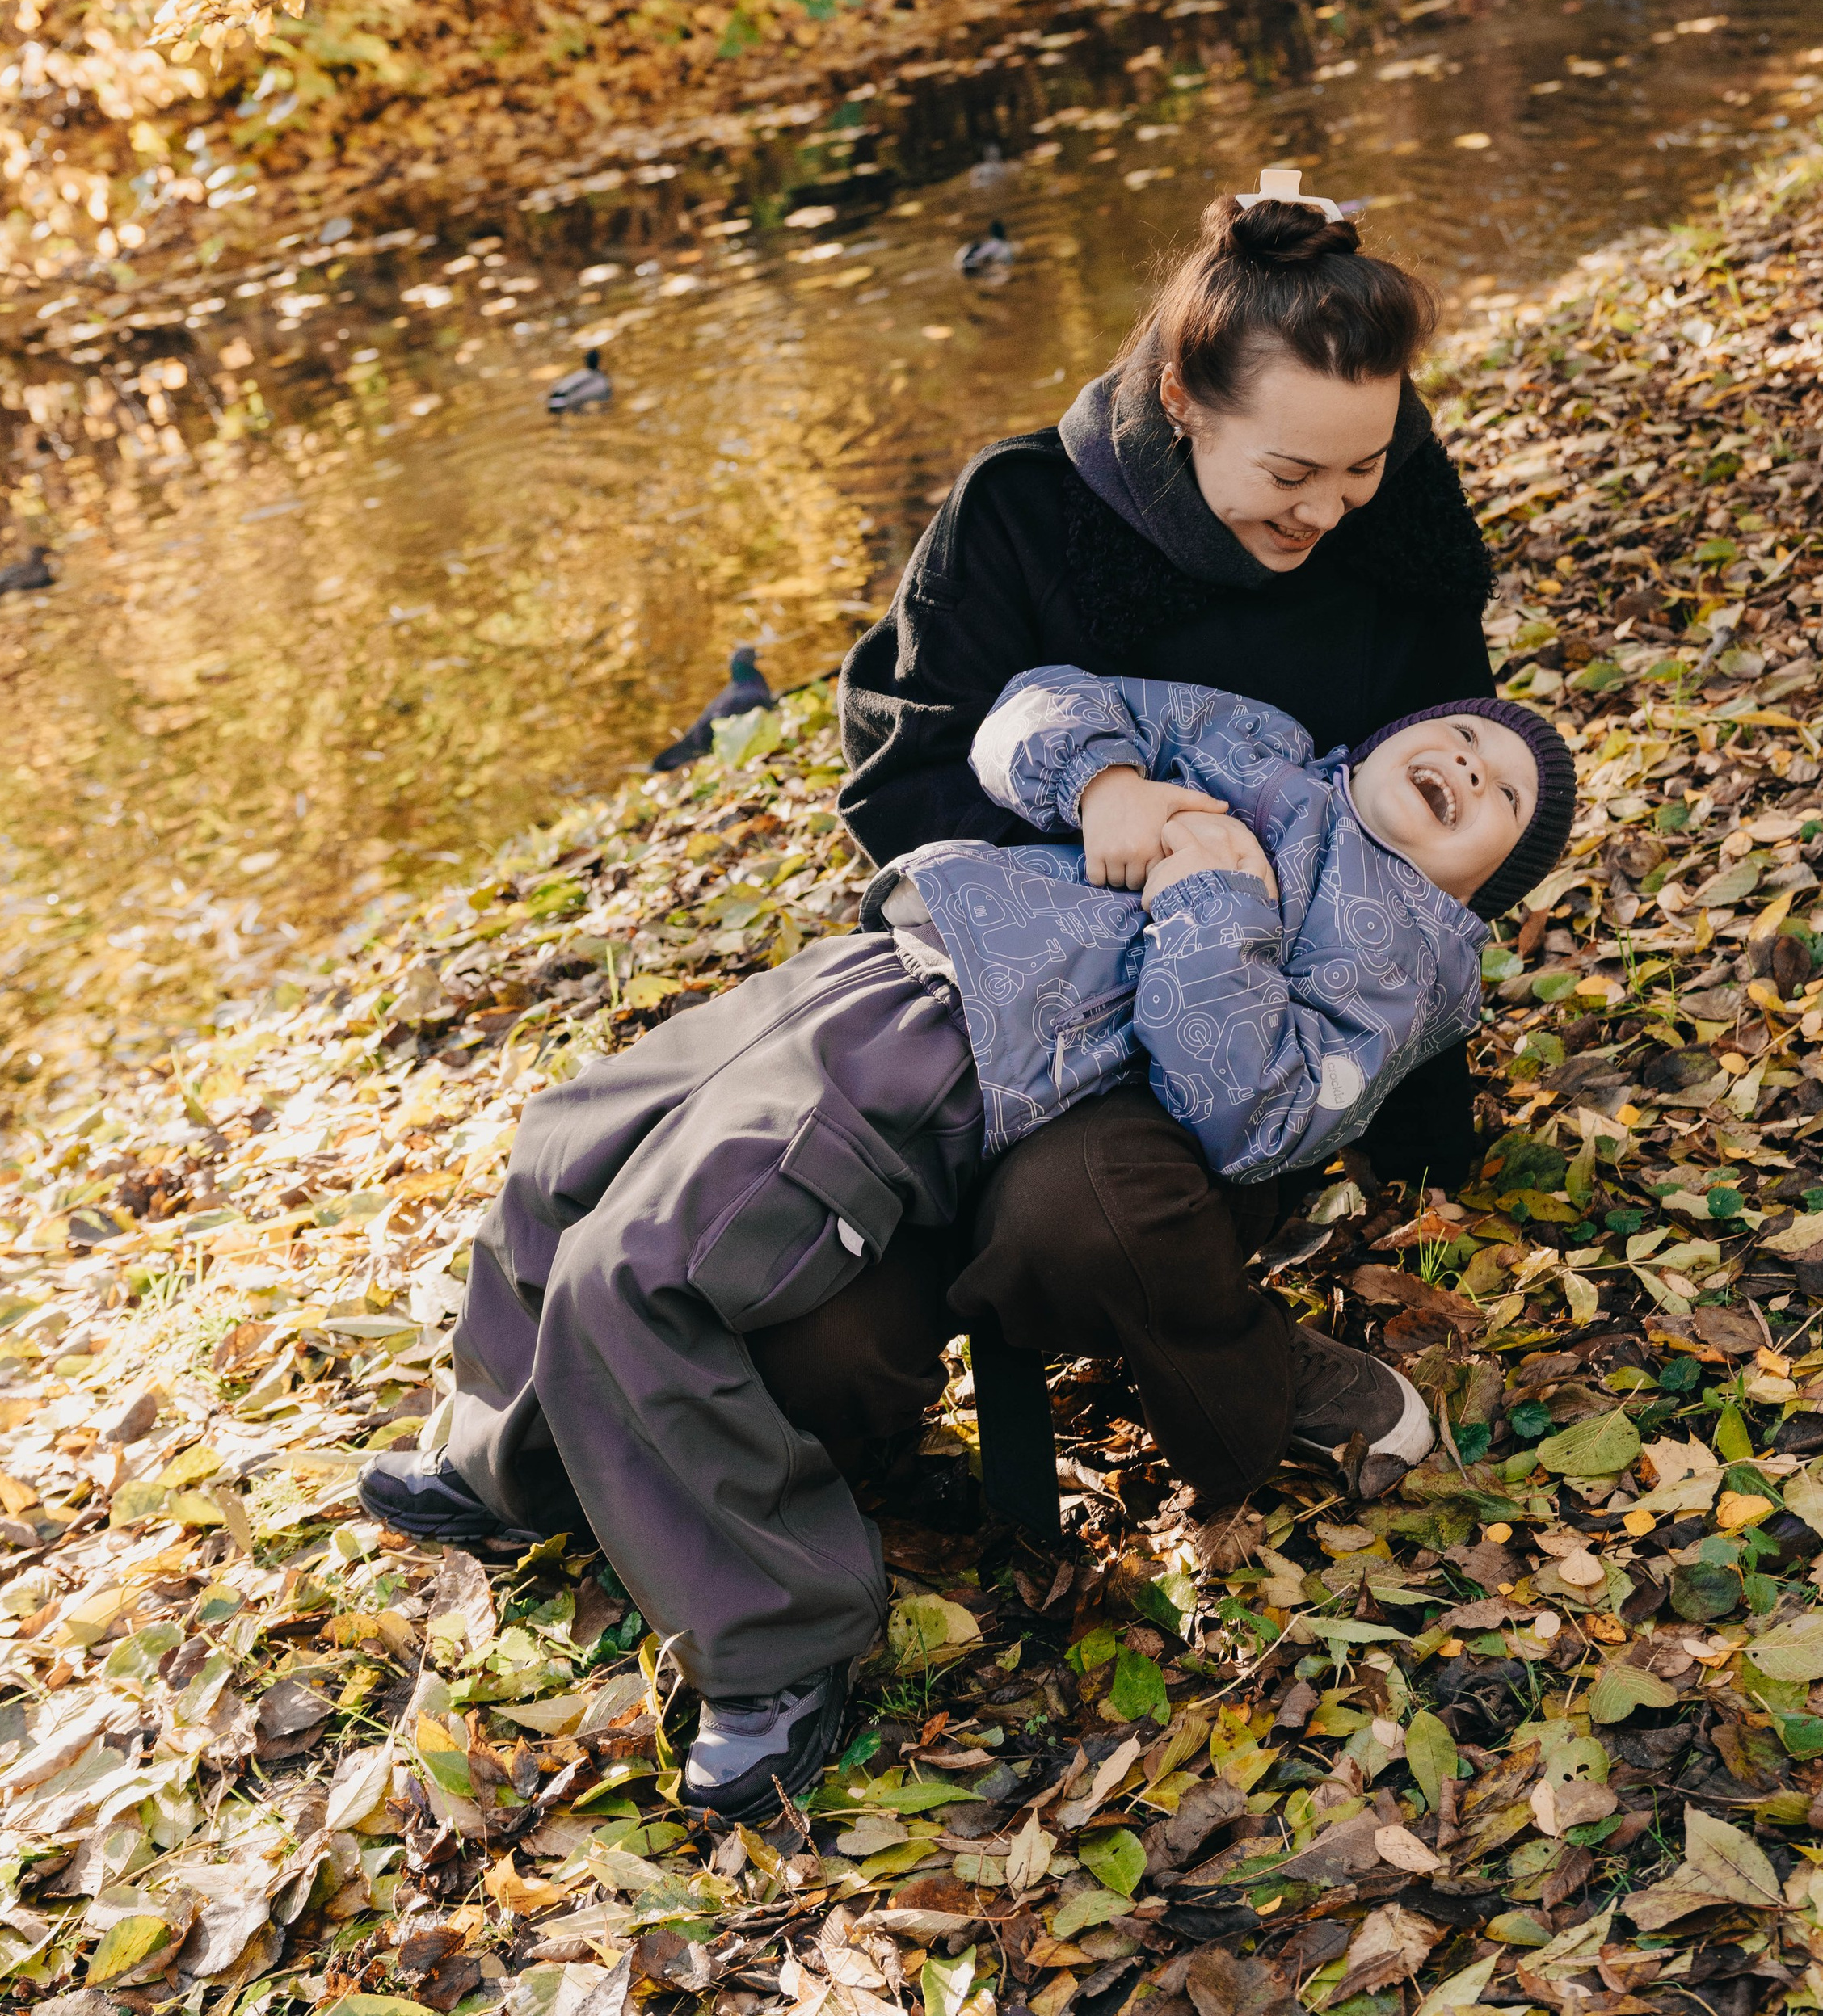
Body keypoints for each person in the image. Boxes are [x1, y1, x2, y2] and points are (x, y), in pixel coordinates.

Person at [360, 670, 1574, 1827]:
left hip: (958, 1055)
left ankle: (779, 1645)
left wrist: (1214, 897)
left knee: (644, 1269)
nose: (1467, 768)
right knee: (567, 1138)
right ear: (1387, 737)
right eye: (1463, 739)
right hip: (882, 965)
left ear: (1478, 890)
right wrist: (1107, 783)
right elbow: (1037, 703)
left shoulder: (1396, 965)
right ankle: (508, 1464)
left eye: (1502, 795)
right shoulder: (1254, 739)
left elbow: (1243, 1113)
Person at [828, 178, 1497, 1534]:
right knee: (822, 1325)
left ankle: (1256, 1382)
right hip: (1029, 974)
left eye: (1362, 465)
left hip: (1259, 1013)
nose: (1331, 511)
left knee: (1071, 1227)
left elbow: (1446, 767)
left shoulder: (1398, 517)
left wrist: (1408, 1081)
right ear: (1187, 401)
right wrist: (1119, 832)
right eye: (1293, 474)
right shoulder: (1021, 513)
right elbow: (905, 771)